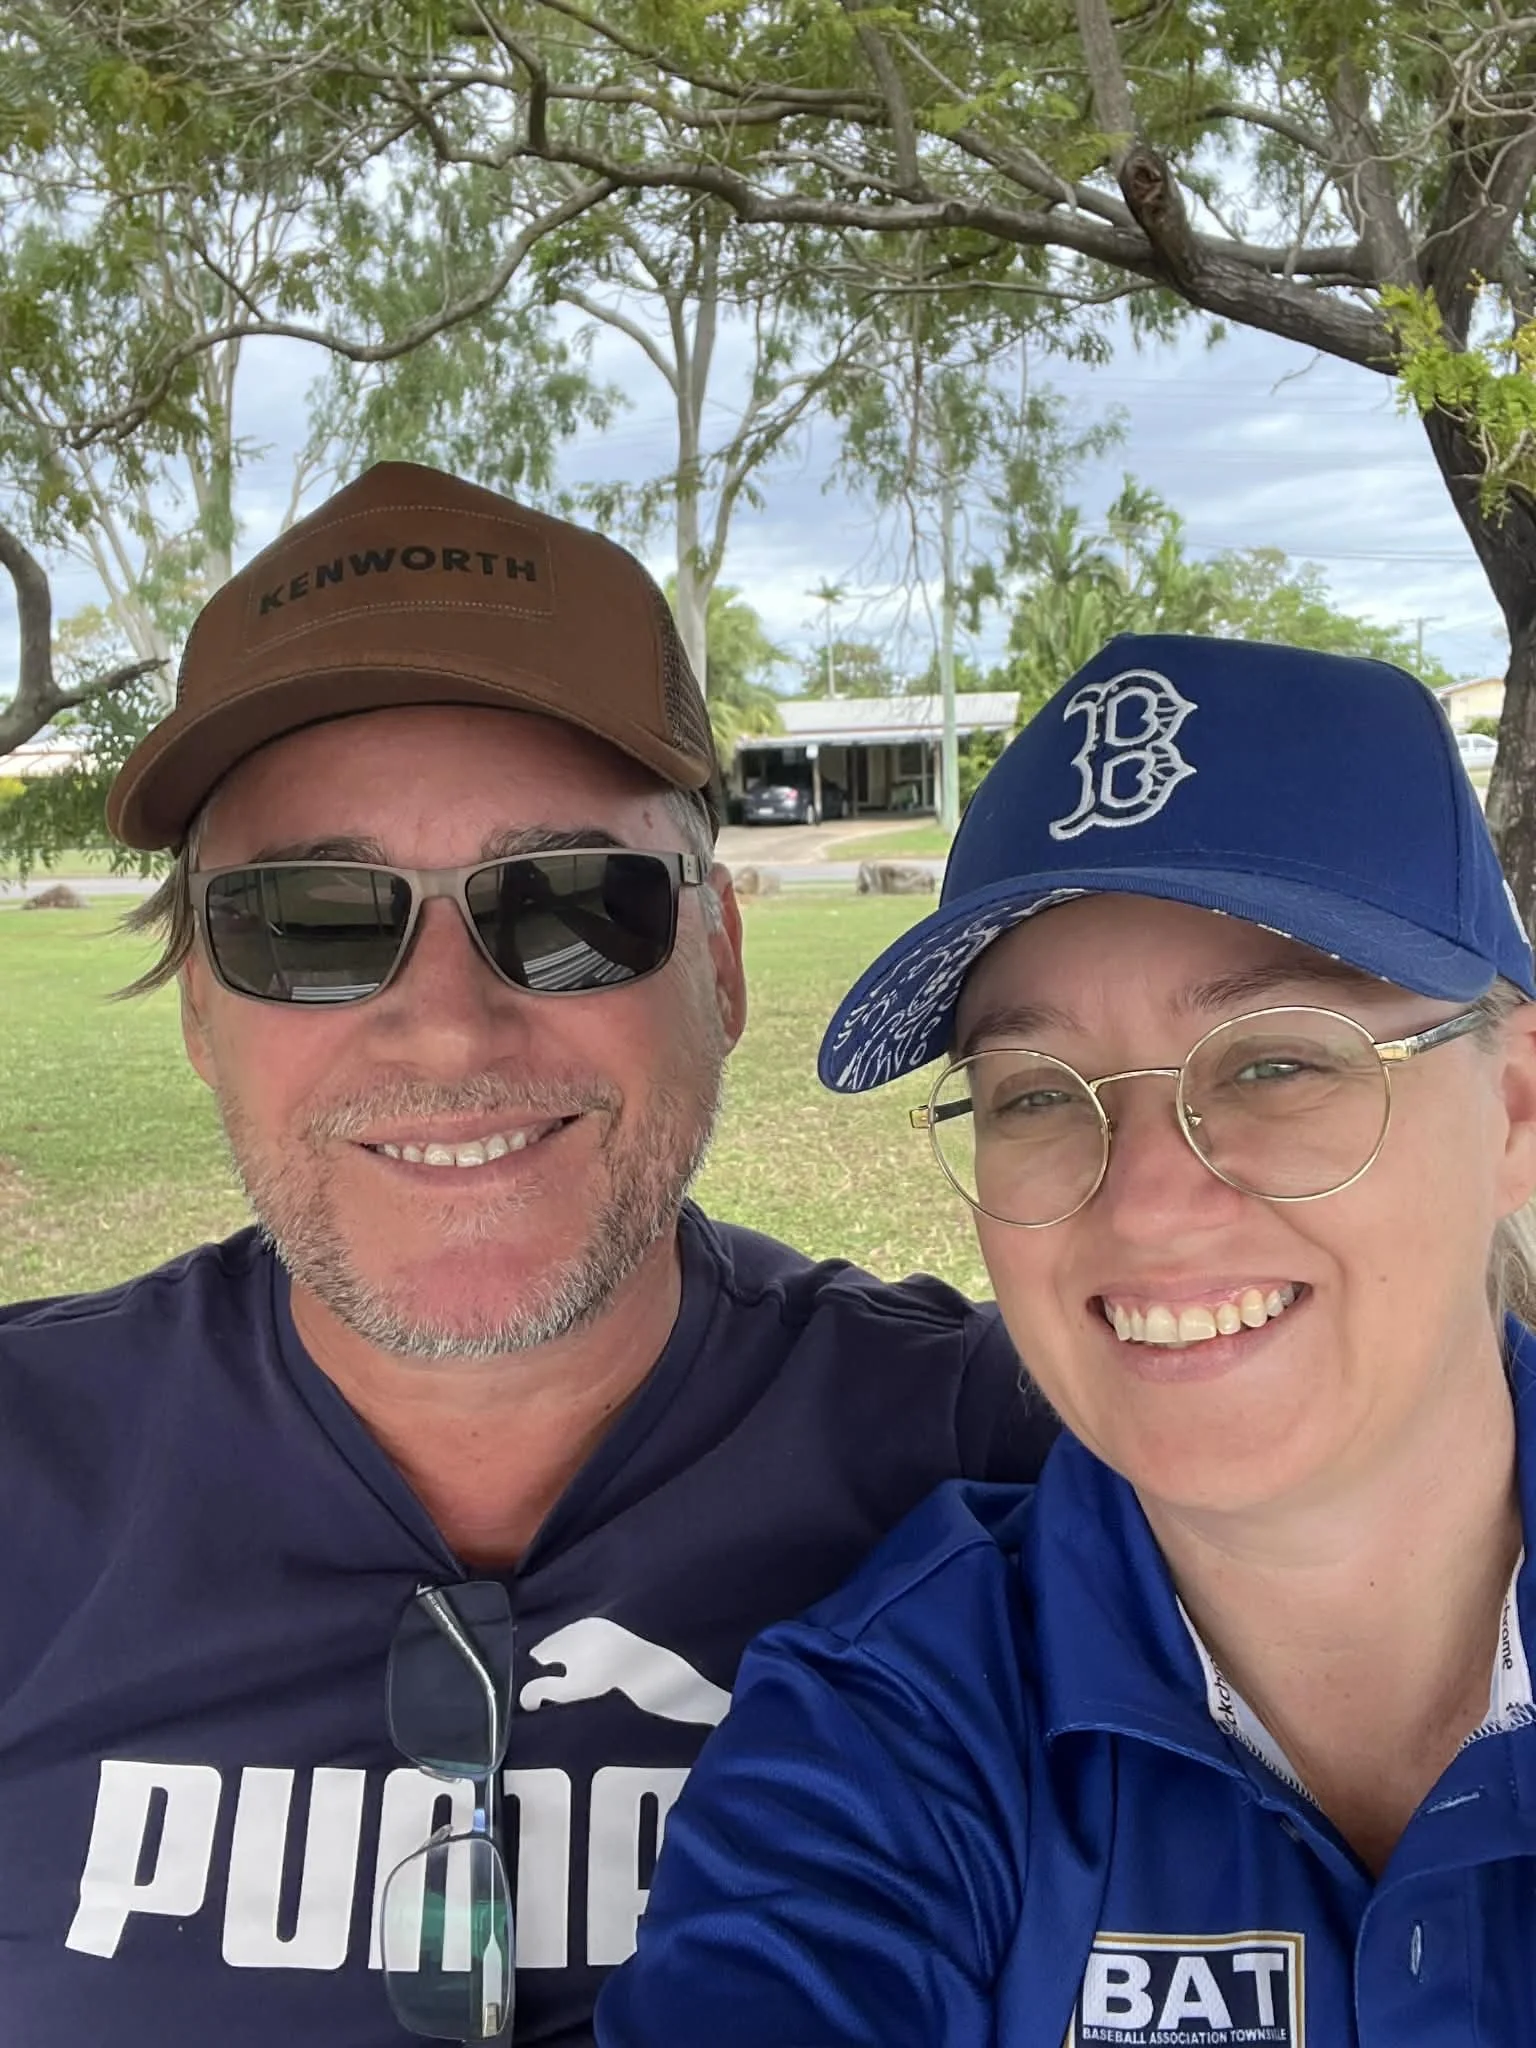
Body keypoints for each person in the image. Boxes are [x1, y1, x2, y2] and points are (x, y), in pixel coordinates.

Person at [0, 461, 1058, 2048]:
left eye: (570, 904)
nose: (446, 1027)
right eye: (309, 921)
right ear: (204, 1012)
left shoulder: (1009, 1461)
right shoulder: (26, 1471)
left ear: (720, 964)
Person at [597, 633, 1536, 2047]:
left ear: (1514, 1109)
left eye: (1276, 1061)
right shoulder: (885, 1730)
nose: (1145, 1203)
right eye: (1035, 1092)